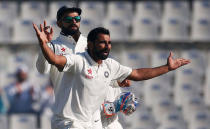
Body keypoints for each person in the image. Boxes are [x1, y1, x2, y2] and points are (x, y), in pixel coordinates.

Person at [33, 25, 190, 129]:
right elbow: (54, 60)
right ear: (91, 44)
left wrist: (167, 68)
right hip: (70, 123)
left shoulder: (110, 66)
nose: (107, 46)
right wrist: (44, 44)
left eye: (109, 42)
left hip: (92, 124)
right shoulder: (78, 60)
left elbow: (137, 74)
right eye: (102, 43)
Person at [36, 6, 130, 129]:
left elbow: (100, 72)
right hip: (67, 117)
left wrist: (117, 82)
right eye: (68, 19)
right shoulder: (54, 46)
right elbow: (42, 70)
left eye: (77, 18)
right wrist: (45, 45)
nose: (73, 21)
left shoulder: (90, 43)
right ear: (59, 23)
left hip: (92, 118)